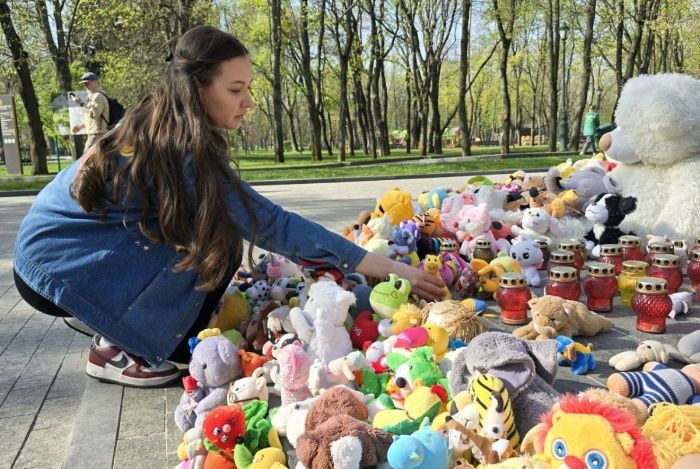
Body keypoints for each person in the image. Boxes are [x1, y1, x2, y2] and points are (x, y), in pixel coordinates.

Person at [12, 26, 445, 388]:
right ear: (197, 89)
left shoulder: (162, 119)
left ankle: (114, 321)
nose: (248, 101)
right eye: (236, 89)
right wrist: (391, 269)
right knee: (215, 252)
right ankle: (120, 350)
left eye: (249, 89)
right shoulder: (178, 150)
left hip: (49, 255)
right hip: (54, 266)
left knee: (210, 244)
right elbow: (269, 223)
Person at [71, 72, 109, 152]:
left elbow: (94, 115)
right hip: (96, 133)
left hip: (98, 134)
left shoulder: (97, 96)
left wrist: (81, 103)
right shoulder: (93, 96)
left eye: (87, 83)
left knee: (86, 157)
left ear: (95, 82)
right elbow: (94, 119)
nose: (85, 86)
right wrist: (80, 127)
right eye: (84, 84)